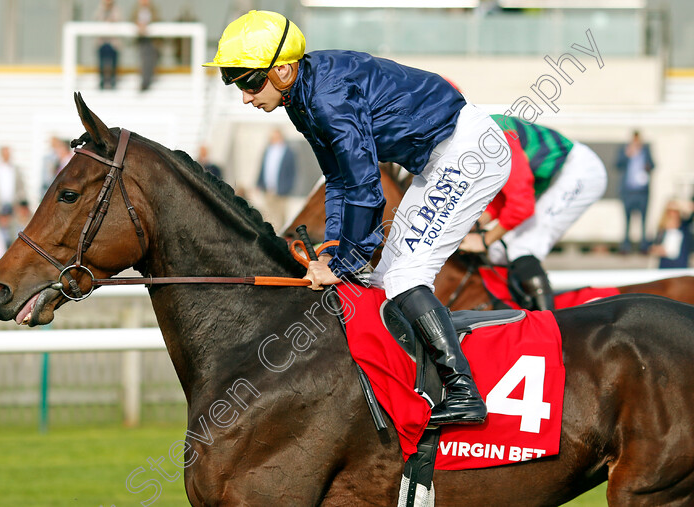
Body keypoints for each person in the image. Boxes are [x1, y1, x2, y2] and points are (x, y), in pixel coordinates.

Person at [205, 11, 512, 426]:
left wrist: (345, 264)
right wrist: (333, 252)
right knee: (384, 278)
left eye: (249, 82)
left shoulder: (326, 99)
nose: (245, 96)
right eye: (236, 84)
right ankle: (418, 382)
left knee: (404, 277)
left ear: (281, 69)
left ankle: (463, 390)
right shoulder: (301, 98)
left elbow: (367, 187)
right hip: (438, 160)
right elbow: (337, 179)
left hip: (468, 153)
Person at [460, 116, 608, 311]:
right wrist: (476, 224)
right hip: (548, 179)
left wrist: (485, 239)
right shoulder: (473, 136)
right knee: (499, 252)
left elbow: (521, 204)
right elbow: (507, 195)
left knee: (523, 247)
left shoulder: (492, 137)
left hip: (577, 172)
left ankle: (547, 324)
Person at [616, 130, 655, 254]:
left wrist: (647, 166)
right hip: (629, 191)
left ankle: (643, 245)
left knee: (643, 220)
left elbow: (653, 165)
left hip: (642, 192)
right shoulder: (625, 150)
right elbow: (617, 165)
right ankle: (626, 245)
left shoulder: (646, 151)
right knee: (627, 220)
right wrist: (627, 154)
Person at [256, 128, 297, 230]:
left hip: (281, 191)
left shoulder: (288, 152)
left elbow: (292, 172)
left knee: (280, 217)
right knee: (269, 216)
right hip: (268, 190)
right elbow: (262, 168)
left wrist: (287, 188)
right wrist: (259, 184)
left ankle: (280, 237)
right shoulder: (268, 151)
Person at [0, 146, 27, 219]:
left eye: (8, 153)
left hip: (13, 207)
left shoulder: (15, 170)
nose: (6, 156)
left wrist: (19, 204)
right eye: (5, 153)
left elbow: (21, 188)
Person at [650, 200, 693, 269]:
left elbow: (691, 210)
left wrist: (680, 204)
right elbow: (653, 247)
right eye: (670, 211)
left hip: (681, 265)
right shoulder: (662, 229)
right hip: (666, 266)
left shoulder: (684, 226)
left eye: (675, 211)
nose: (673, 214)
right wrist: (659, 250)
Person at [131, 0, 159, 92]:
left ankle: (146, 82)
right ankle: (144, 82)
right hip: (140, 40)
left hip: (151, 40)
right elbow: (131, 19)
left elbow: (157, 20)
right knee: (143, 60)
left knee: (149, 60)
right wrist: (138, 25)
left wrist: (147, 25)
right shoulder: (135, 10)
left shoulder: (154, 9)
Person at [94, 0, 122, 90]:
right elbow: (96, 20)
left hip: (113, 42)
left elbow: (118, 21)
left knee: (113, 60)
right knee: (102, 61)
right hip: (102, 42)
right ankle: (103, 80)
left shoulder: (117, 10)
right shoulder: (99, 10)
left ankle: (112, 80)